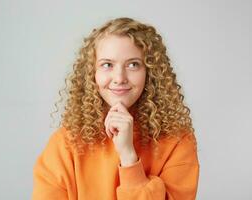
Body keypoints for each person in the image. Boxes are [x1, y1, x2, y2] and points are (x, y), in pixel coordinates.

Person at [32, 17, 200, 200]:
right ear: (91, 74)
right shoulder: (65, 143)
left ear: (150, 72)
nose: (119, 77)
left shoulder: (178, 141)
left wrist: (128, 156)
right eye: (107, 65)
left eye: (133, 64)